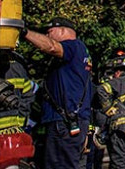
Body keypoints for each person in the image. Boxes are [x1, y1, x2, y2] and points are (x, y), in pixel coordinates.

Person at [22, 17, 93, 169]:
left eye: (49, 32)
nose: (47, 36)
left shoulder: (73, 46)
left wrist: (25, 32)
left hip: (64, 123)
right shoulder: (77, 56)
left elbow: (52, 47)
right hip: (69, 121)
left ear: (62, 30)